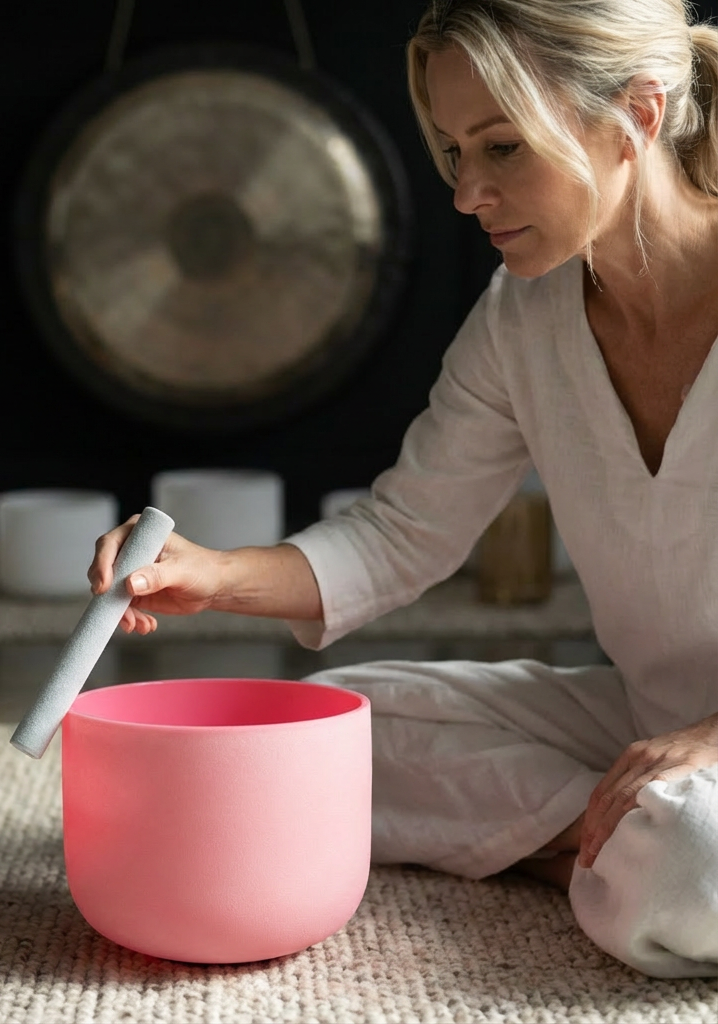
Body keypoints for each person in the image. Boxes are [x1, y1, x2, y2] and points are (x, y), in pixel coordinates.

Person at [89, 0, 718, 979]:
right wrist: (208, 574)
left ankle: (634, 846)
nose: (467, 193)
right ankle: (602, 844)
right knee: (327, 728)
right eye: (455, 149)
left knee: (698, 858)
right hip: (645, 722)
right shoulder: (523, 315)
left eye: (503, 147)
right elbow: (399, 535)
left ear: (638, 111)